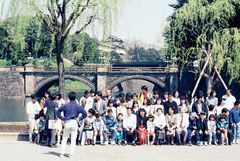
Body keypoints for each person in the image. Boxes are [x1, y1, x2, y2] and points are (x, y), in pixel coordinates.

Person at [56, 91, 87, 158]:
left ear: (69, 97)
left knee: (64, 138)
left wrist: (62, 118)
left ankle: (61, 153)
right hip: (74, 122)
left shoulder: (65, 105)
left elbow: (58, 111)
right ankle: (70, 154)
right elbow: (85, 114)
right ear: (75, 98)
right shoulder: (78, 106)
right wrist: (80, 118)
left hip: (67, 121)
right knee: (73, 139)